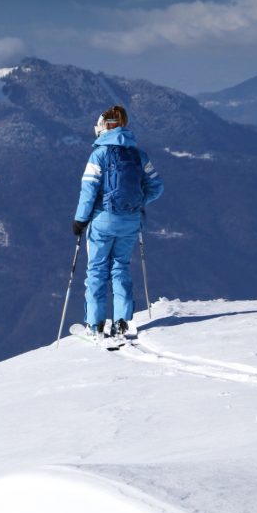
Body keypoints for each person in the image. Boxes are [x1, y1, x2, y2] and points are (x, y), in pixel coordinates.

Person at [72, 105, 163, 340]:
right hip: (130, 220)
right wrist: (139, 201)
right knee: (120, 266)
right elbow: (156, 186)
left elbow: (88, 190)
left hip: (102, 220)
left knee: (97, 270)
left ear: (103, 127)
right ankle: (122, 320)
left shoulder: (99, 155)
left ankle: (95, 323)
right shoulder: (139, 155)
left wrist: (80, 220)